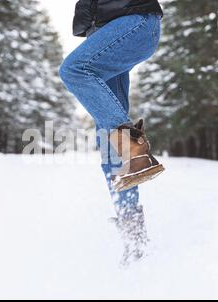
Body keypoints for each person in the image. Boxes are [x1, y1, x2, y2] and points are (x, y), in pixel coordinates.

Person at [59, 0, 164, 265]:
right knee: (109, 142)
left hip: (134, 23)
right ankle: (134, 237)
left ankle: (134, 147)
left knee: (74, 69)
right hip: (106, 33)